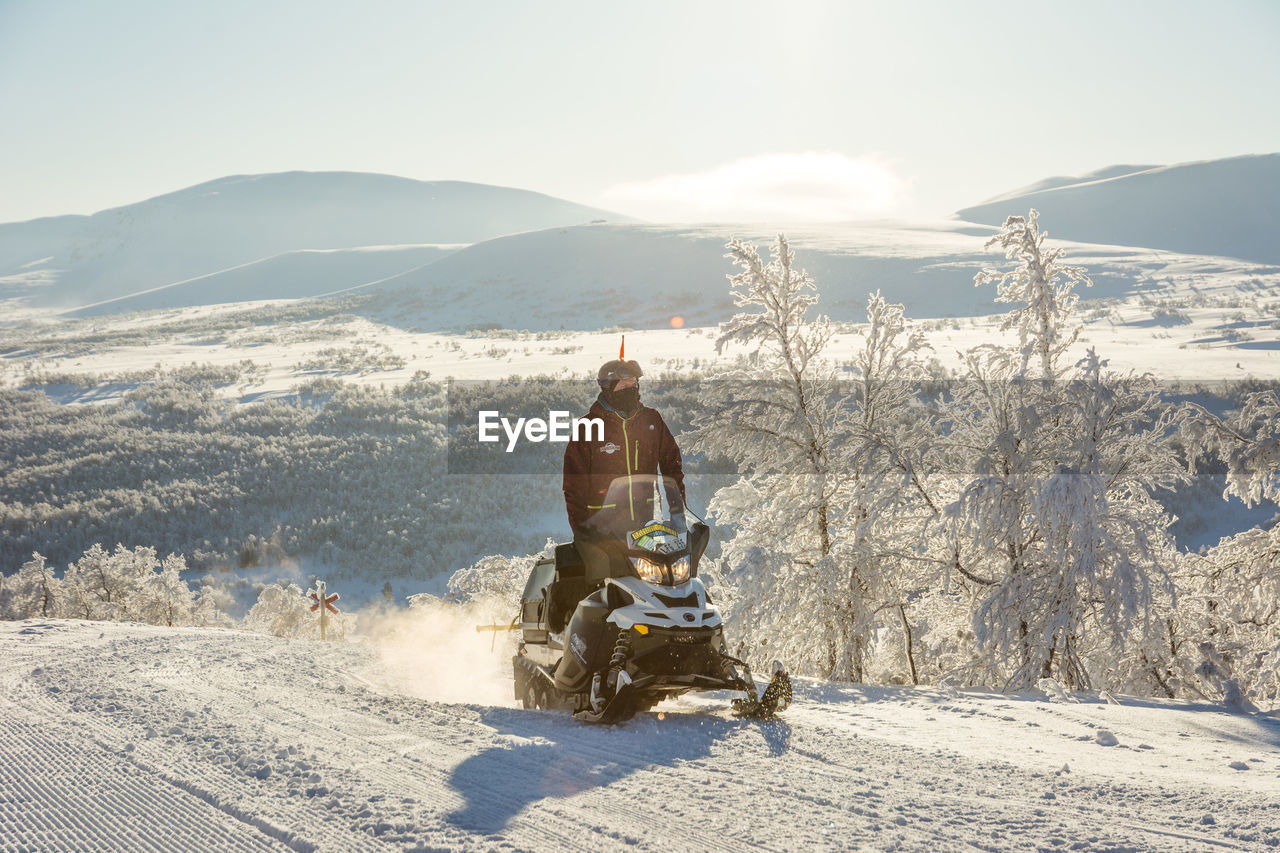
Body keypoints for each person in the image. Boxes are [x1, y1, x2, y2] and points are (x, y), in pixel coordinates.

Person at [560, 345, 686, 588]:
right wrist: (582, 530)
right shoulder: (588, 427)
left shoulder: (652, 419)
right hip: (601, 531)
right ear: (607, 388)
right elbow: (573, 484)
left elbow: (673, 466)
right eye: (623, 385)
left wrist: (678, 514)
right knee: (609, 590)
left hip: (644, 526)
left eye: (633, 384)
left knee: (658, 584)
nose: (630, 389)